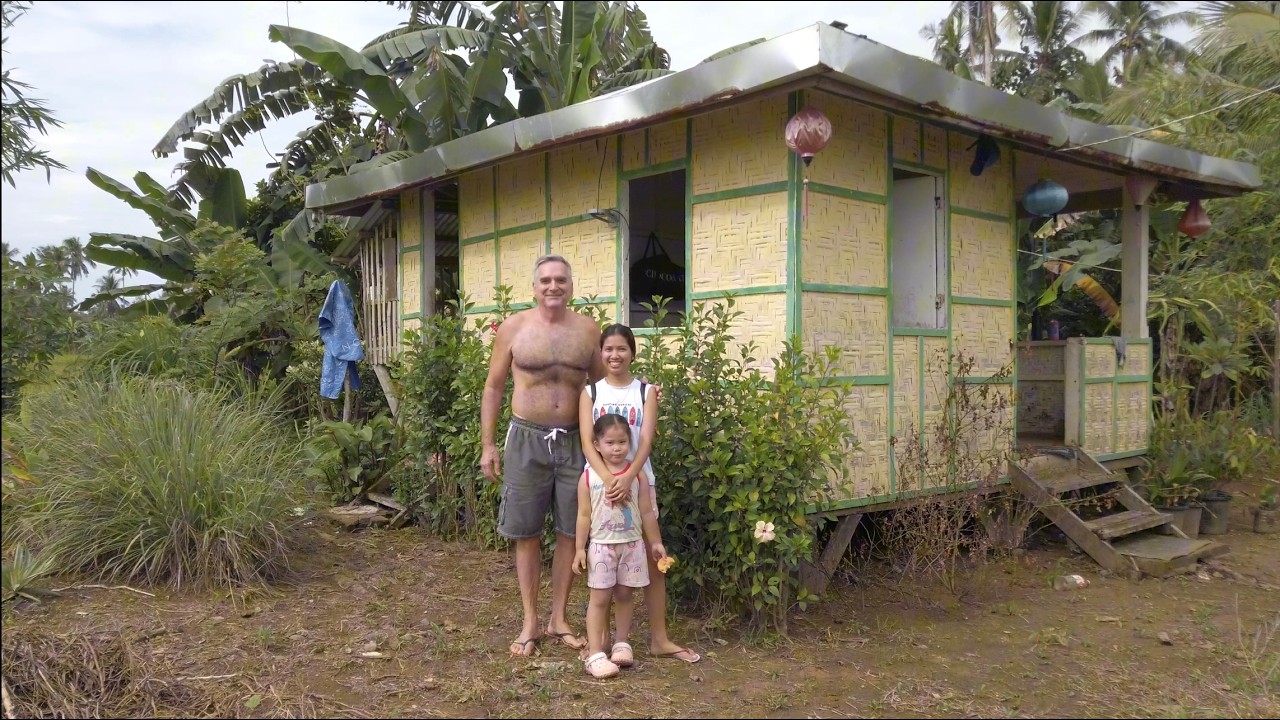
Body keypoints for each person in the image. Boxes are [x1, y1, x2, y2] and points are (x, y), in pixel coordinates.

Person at [481, 255, 606, 658]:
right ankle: (530, 621)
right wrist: (487, 444)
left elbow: (603, 389)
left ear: (571, 286)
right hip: (526, 440)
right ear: (534, 287)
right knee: (527, 532)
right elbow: (494, 388)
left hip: (576, 442)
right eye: (546, 281)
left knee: (572, 531)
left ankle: (559, 618)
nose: (554, 287)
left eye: (561, 280)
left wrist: (613, 446)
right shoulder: (514, 329)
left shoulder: (588, 331)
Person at [579, 324, 702, 664]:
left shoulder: (645, 391)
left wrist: (628, 477)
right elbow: (588, 442)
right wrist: (607, 478)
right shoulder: (591, 390)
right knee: (604, 555)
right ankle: (601, 643)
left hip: (639, 482)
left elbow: (645, 440)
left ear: (632, 352)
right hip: (601, 485)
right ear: (600, 353)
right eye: (608, 349)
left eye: (622, 348)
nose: (615, 355)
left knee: (650, 557)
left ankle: (659, 638)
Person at [572, 413, 667, 678]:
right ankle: (595, 654)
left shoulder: (638, 478)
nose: (616, 448)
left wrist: (656, 542)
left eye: (622, 442)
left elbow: (647, 512)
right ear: (597, 445)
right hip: (602, 547)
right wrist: (580, 548)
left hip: (633, 547)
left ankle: (622, 644)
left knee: (625, 594)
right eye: (610, 442)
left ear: (630, 443)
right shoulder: (589, 478)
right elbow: (583, 515)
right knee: (599, 598)